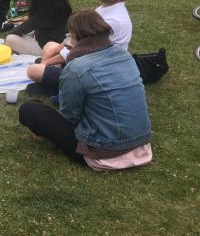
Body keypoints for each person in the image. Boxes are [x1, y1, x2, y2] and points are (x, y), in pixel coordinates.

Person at [18, 10, 152, 170]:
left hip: (103, 151)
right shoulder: (125, 56)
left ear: (75, 37)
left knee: (30, 109)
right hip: (140, 143)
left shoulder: (76, 68)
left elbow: (70, 116)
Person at [27, 0, 135, 94]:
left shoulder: (113, 21)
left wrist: (45, 63)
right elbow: (75, 40)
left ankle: (60, 87)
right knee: (49, 46)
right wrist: (52, 53)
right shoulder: (105, 8)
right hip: (85, 59)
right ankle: (54, 76)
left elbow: (79, 50)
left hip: (94, 73)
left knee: (33, 70)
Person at [5, 0, 72, 56]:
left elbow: (20, 30)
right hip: (60, 39)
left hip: (46, 47)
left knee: (10, 39)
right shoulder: (62, 2)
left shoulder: (44, 11)